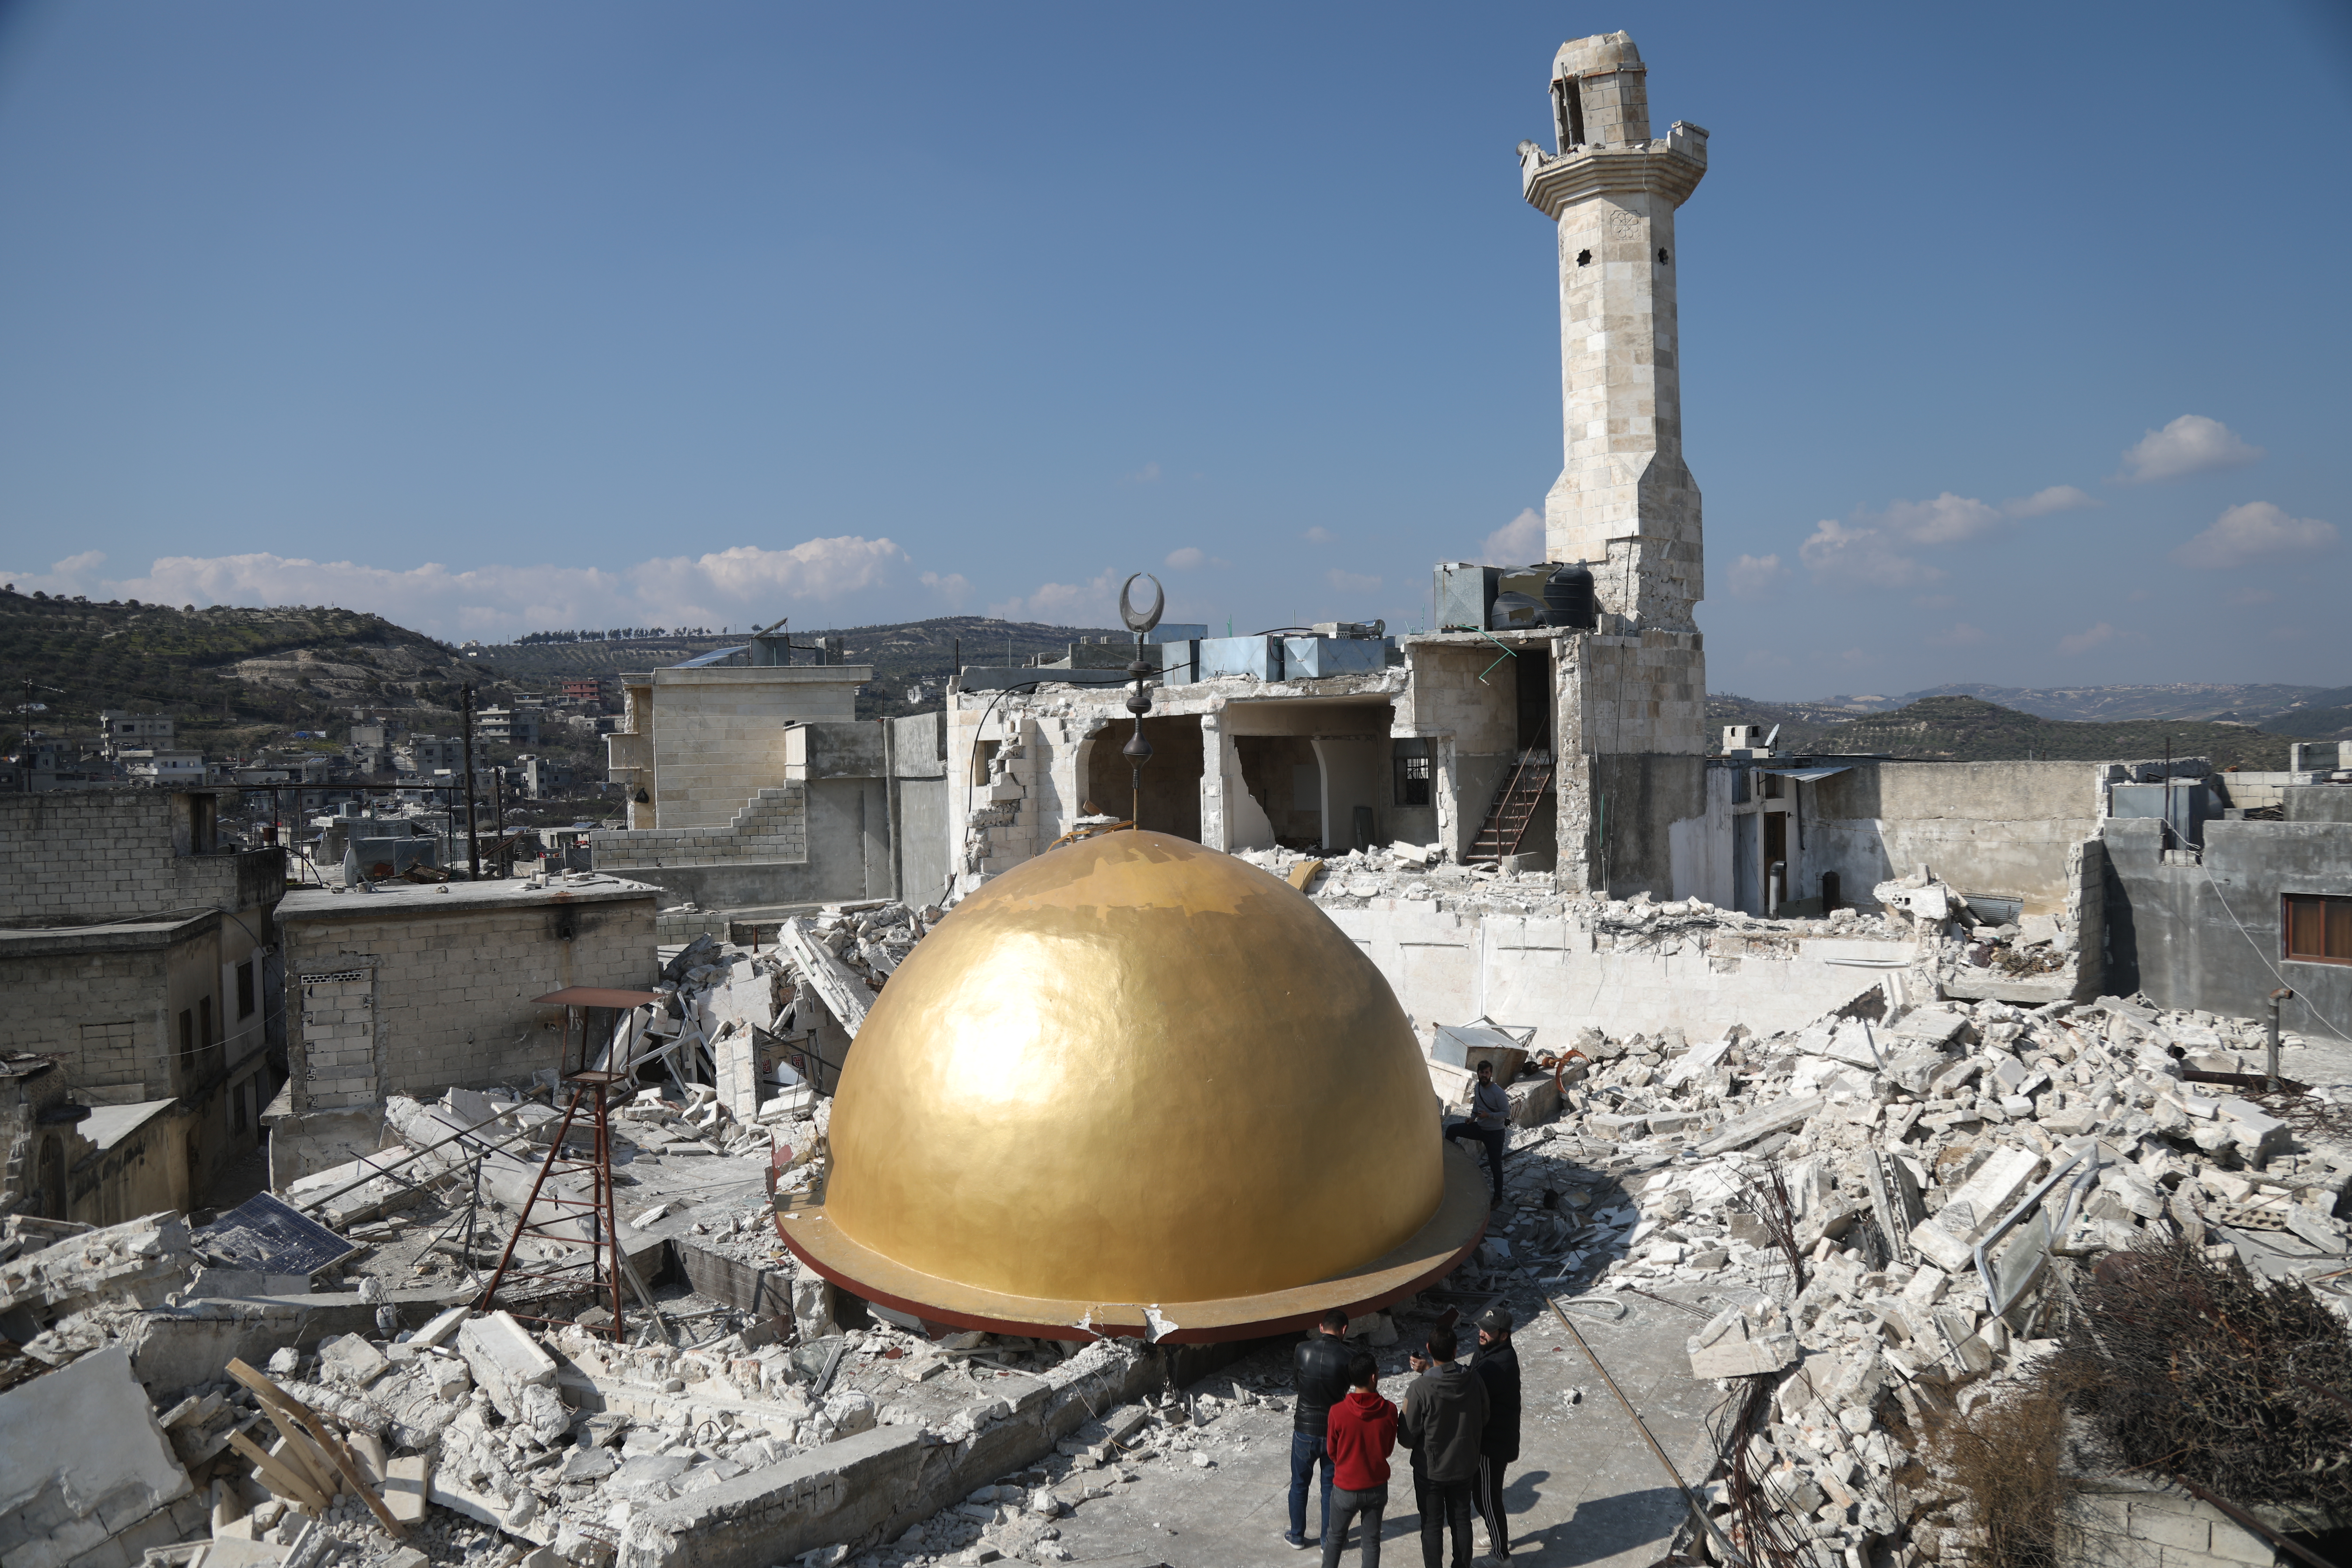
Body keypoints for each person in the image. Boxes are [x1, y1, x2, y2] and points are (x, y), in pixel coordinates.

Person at [1399, 1323, 1487, 1568]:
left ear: (1428, 1349)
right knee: (1462, 1520)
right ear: (1457, 1350)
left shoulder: (1420, 1388)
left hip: (1431, 1470)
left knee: (1432, 1524)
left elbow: (1406, 1436)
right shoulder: (1473, 1379)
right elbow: (1485, 1415)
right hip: (1464, 1464)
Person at [1286, 1307, 1355, 1550]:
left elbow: (1297, 1383)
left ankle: (1297, 1536)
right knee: (1330, 1488)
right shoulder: (1349, 1356)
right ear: (1344, 1330)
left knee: (1299, 1484)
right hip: (1334, 1432)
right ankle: (1328, 1540)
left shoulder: (1302, 1350)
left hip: (1304, 1428)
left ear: (1320, 1327)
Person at [1322, 1350, 1398, 1568]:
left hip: (1346, 1487)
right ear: (1374, 1377)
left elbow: (1332, 1452)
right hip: (1376, 1487)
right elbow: (1388, 1450)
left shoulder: (1337, 1412)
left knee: (1335, 1539)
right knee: (1372, 1542)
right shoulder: (1390, 1410)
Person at [1469, 1307, 1522, 1561]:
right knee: (1484, 1498)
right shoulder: (1488, 1352)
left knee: (1487, 1500)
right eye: (1481, 1328)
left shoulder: (1499, 1364)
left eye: (1489, 1331)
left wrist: (1434, 1371)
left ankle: (1501, 1556)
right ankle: (1495, 1534)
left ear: (1504, 1336)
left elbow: (1466, 1387)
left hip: (1493, 1445)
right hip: (1489, 1439)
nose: (1482, 1333)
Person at [1444, 1060, 1512, 1205]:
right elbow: (1477, 1104)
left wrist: (1489, 1116)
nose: (1485, 1075)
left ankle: (1498, 1198)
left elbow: (1506, 1112)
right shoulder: (1478, 1087)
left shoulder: (1498, 1092)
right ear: (1478, 1074)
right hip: (1480, 1128)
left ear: (1491, 1074)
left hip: (1495, 1133)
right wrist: (1473, 1118)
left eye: (1487, 1072)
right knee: (1451, 1130)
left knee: (1495, 1166)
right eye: (1482, 1072)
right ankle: (1449, 1164)